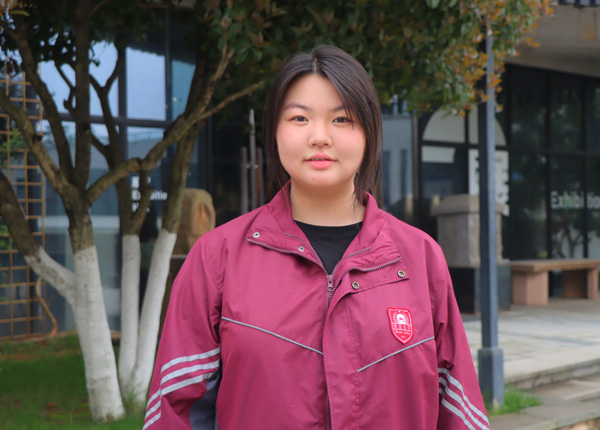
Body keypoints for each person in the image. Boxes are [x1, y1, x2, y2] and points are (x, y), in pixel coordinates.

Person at [143, 45, 489, 430]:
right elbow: (175, 411)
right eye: (300, 118)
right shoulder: (216, 258)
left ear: (369, 133)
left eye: (341, 119)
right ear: (275, 132)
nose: (320, 137)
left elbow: (458, 409)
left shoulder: (420, 258)